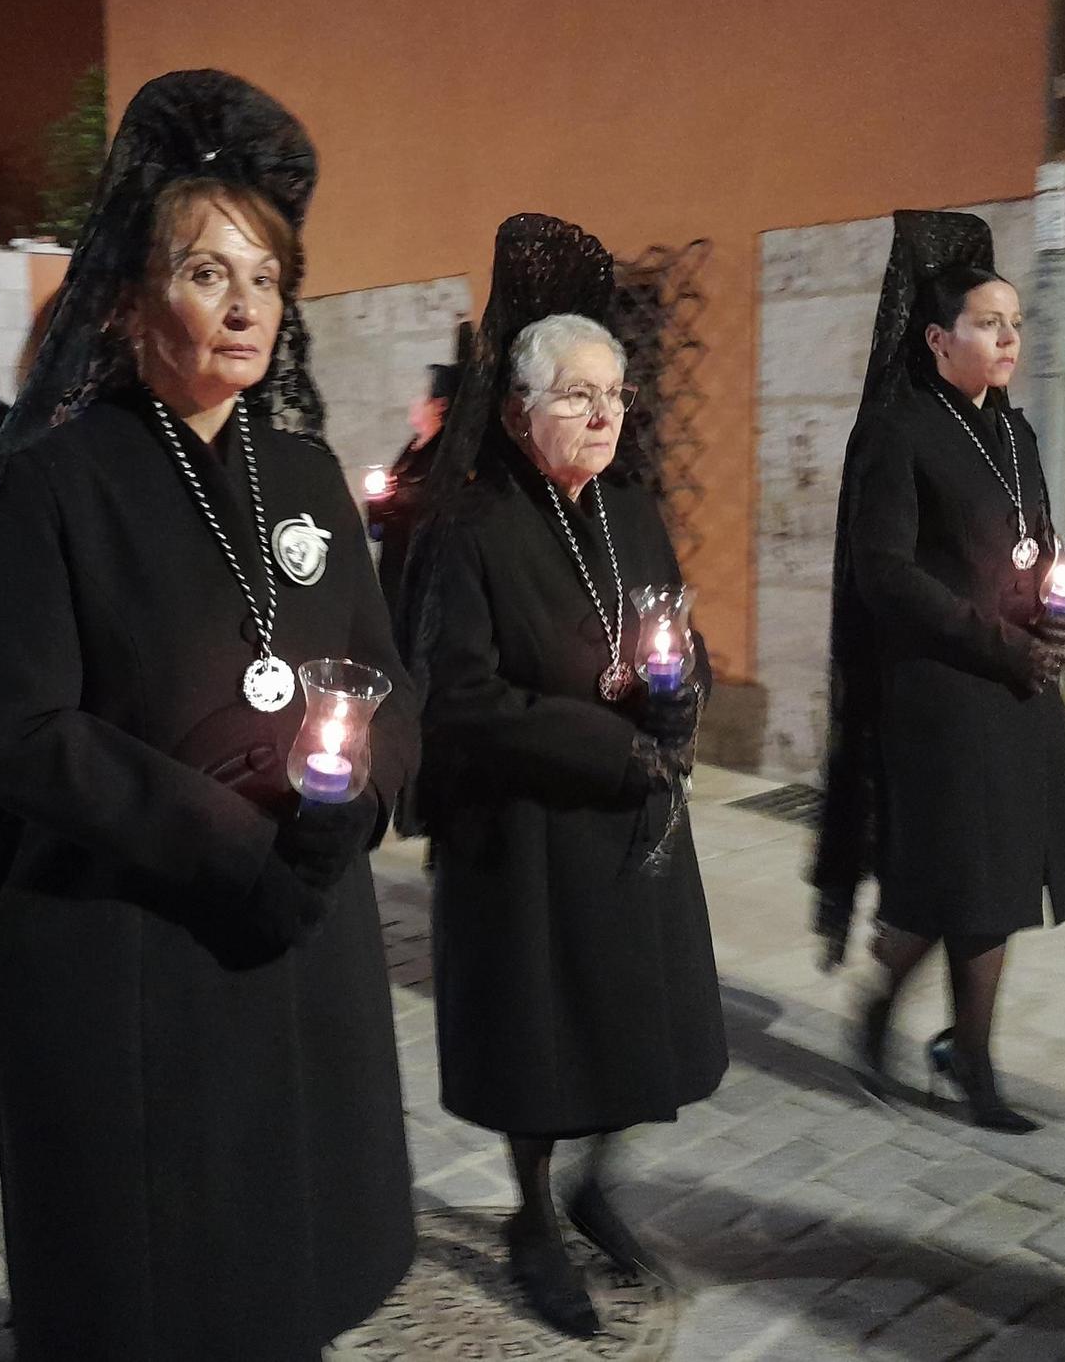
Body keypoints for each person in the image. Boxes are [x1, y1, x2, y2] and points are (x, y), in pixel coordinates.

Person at [0, 70, 420, 1360]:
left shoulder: (309, 473)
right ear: (132, 291)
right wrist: (227, 845)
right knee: (156, 1294)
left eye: (265, 276)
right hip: (129, 948)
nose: (244, 305)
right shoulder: (52, 486)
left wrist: (355, 797)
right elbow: (14, 732)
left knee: (286, 1270)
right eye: (208, 272)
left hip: (301, 931)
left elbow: (384, 676)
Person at [396, 214, 726, 1337]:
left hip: (624, 820)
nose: (601, 415)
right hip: (522, 825)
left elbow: (674, 629)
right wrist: (610, 745)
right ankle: (534, 1216)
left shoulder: (629, 509)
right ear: (516, 409)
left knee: (635, 1019)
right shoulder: (469, 524)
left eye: (615, 397)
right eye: (576, 396)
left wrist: (688, 691)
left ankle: (597, 1182)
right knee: (537, 1038)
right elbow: (462, 696)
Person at [811, 210, 1065, 1134]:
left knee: (999, 884)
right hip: (940, 693)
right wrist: (995, 639)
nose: (1009, 338)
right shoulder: (899, 432)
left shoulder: (1014, 434)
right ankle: (890, 1009)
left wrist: (1059, 613)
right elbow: (883, 574)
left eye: (1014, 324)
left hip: (1016, 689)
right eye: (988, 323)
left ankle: (966, 1052)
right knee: (945, 885)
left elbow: (1038, 542)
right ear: (936, 339)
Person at [368, 348, 463, 611]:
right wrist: (378, 501)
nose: (413, 402)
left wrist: (396, 497)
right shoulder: (411, 449)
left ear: (439, 405)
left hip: (429, 576)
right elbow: (377, 526)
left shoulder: (447, 453)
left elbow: (439, 501)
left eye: (420, 396)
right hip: (398, 568)